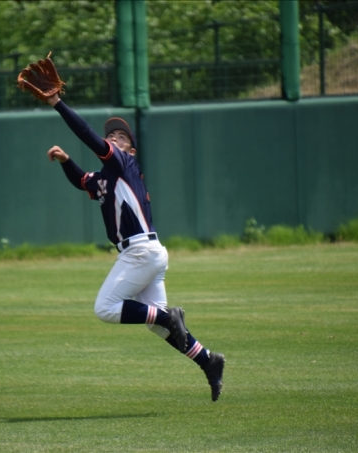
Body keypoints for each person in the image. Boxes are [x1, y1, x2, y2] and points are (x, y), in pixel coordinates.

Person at [45, 93, 225, 402]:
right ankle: (208, 361)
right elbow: (82, 181)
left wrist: (57, 103)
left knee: (106, 308)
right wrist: (65, 161)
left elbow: (86, 133)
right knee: (159, 326)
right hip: (148, 254)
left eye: (122, 136)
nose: (114, 138)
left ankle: (168, 316)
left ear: (130, 149)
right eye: (111, 135)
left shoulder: (124, 162)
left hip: (139, 252)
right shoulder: (106, 178)